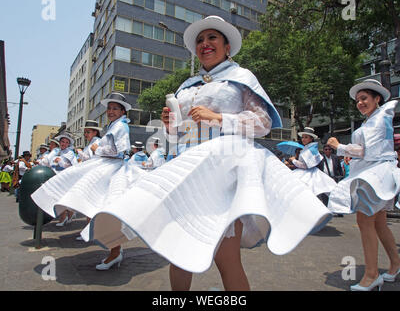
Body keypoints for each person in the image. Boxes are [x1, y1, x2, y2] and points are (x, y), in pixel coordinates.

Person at [85, 16, 332, 291]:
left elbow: (262, 124)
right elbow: (177, 136)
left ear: (227, 46)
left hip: (222, 173)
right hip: (185, 170)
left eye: (212, 38)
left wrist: (217, 117)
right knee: (177, 252)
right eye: (200, 40)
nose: (205, 44)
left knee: (227, 258)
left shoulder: (241, 77)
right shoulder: (187, 85)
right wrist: (170, 126)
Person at [31, 92, 141, 271]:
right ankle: (112, 249)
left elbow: (119, 151)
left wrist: (98, 148)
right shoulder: (115, 125)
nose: (111, 111)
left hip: (113, 169)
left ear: (122, 112)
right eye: (109, 108)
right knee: (96, 203)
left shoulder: (120, 127)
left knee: (107, 208)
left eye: (115, 108)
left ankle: (114, 251)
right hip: (106, 167)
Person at [327, 79, 400, 291]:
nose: (360, 103)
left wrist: (338, 146)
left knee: (365, 221)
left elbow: (366, 152)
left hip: (375, 176)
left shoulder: (378, 120)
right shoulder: (374, 120)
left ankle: (372, 274)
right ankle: (394, 264)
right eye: (358, 100)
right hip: (376, 173)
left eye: (364, 98)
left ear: (377, 99)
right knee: (378, 223)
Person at [289, 127, 337, 199]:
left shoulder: (311, 149)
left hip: (308, 174)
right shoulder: (307, 148)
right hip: (305, 173)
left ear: (311, 139)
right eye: (302, 137)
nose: (303, 139)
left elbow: (305, 166)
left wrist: (294, 160)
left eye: (306, 137)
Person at [74, 120, 102, 240]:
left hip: (94, 177)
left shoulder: (96, 143)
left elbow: (91, 159)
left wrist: (80, 153)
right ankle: (90, 231)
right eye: (85, 132)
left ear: (95, 132)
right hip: (91, 176)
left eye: (88, 132)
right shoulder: (91, 143)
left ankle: (91, 232)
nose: (85, 134)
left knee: (90, 206)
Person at [52, 132, 78, 227]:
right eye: (62, 141)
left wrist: (60, 161)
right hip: (58, 178)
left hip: (66, 179)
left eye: (66, 142)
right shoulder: (58, 152)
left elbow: (70, 166)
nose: (64, 143)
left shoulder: (69, 153)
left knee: (62, 199)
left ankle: (64, 217)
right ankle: (69, 215)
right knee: (62, 199)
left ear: (68, 144)